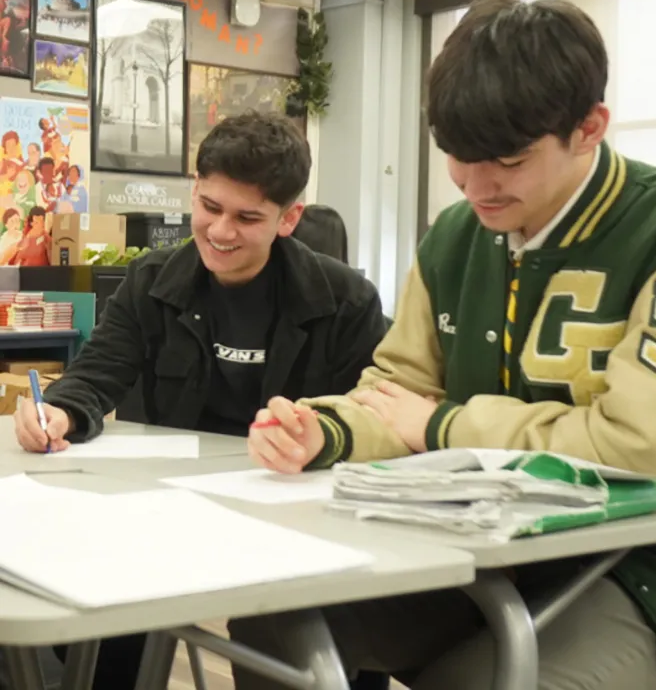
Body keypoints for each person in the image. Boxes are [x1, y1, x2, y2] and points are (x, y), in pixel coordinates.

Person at [244, 0, 656, 689]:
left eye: (507, 159)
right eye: (456, 155)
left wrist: (446, 426)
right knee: (274, 621)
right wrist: (326, 431)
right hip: (493, 536)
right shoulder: (456, 236)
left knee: (483, 679)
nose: (477, 187)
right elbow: (400, 391)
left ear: (590, 127)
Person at [13, 110, 388, 690]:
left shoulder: (345, 302)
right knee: (99, 623)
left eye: (247, 217)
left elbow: (376, 415)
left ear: (290, 218)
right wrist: (57, 409)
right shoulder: (152, 281)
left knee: (327, 637)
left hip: (297, 519)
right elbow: (97, 373)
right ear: (195, 191)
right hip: (168, 516)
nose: (219, 231)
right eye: (210, 207)